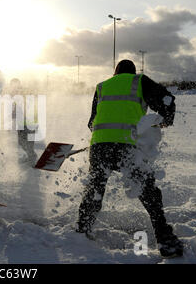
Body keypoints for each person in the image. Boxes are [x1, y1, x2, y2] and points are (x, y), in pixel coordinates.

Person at [76, 59, 183, 258]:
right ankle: (166, 242)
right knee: (148, 192)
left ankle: (82, 231)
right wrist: (165, 121)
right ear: (132, 72)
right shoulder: (139, 81)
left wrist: (106, 136)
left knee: (95, 191)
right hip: (128, 147)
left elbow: (92, 122)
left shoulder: (102, 87)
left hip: (99, 147)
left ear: (115, 73)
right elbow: (167, 100)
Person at [9, 78, 38, 164]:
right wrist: (14, 113)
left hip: (29, 121)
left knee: (28, 142)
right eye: (12, 86)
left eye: (13, 85)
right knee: (21, 142)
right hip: (22, 122)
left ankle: (32, 158)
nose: (12, 88)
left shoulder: (22, 92)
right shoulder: (16, 94)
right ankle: (31, 156)